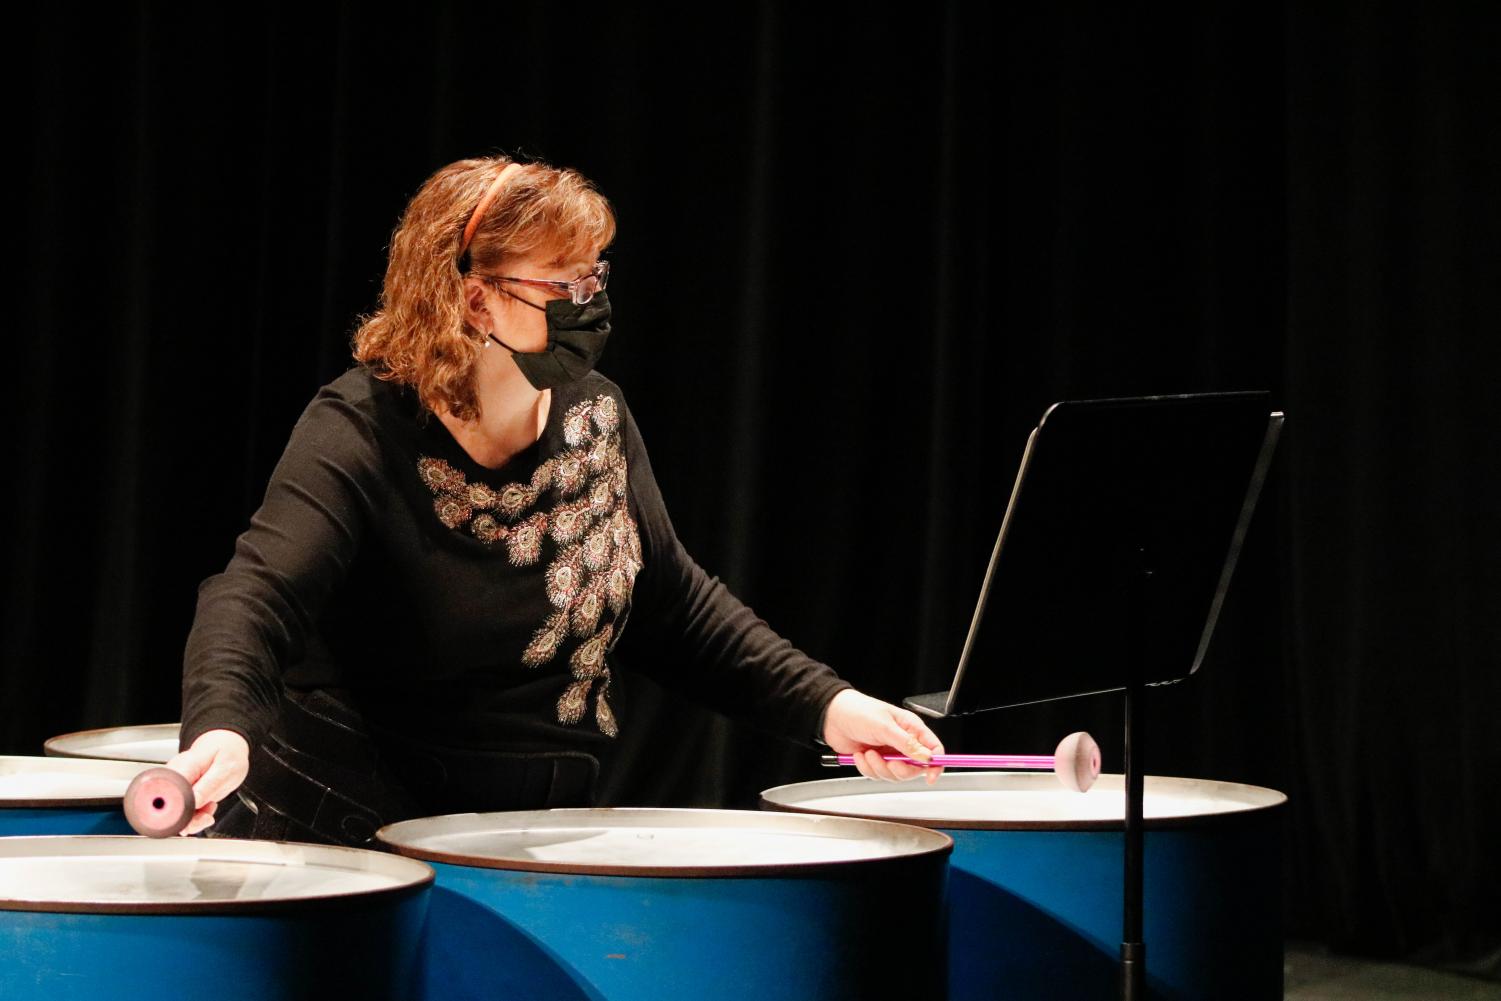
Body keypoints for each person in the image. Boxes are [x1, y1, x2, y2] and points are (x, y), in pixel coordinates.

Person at [167, 155, 944, 845]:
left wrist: (831, 706)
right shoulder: (363, 425)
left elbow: (675, 607)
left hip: (528, 829)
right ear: (475, 301)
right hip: (353, 830)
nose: (589, 302)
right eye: (561, 283)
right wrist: (222, 725)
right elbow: (254, 596)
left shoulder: (593, 414)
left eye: (594, 276)